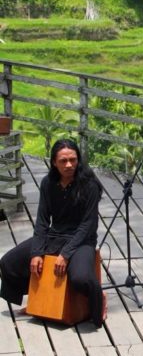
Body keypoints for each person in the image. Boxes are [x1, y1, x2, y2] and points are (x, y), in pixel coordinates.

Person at [0, 139, 106, 327]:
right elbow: (42, 221)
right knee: (9, 262)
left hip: (82, 240)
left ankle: (99, 298)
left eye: (73, 160)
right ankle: (36, 298)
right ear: (54, 163)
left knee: (80, 278)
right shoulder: (48, 183)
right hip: (54, 235)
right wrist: (37, 252)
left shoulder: (89, 185)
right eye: (63, 161)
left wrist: (66, 254)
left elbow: (88, 224)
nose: (69, 165)